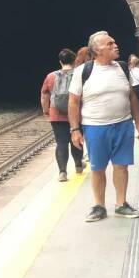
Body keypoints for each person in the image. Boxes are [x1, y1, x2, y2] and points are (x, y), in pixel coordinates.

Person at [68, 30, 139, 222]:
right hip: (95, 127)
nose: (115, 45)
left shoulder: (122, 67)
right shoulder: (83, 71)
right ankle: (99, 206)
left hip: (123, 125)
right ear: (97, 51)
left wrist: (138, 121)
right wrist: (75, 130)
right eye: (109, 44)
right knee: (98, 167)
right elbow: (73, 102)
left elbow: (131, 96)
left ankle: (121, 204)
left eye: (114, 42)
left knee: (121, 166)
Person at [40, 48, 85, 182]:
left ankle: (62, 172)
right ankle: (78, 165)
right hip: (77, 114)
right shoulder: (79, 74)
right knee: (76, 140)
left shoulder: (51, 76)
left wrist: (46, 110)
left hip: (56, 114)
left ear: (60, 61)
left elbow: (44, 94)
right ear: (74, 60)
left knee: (61, 143)